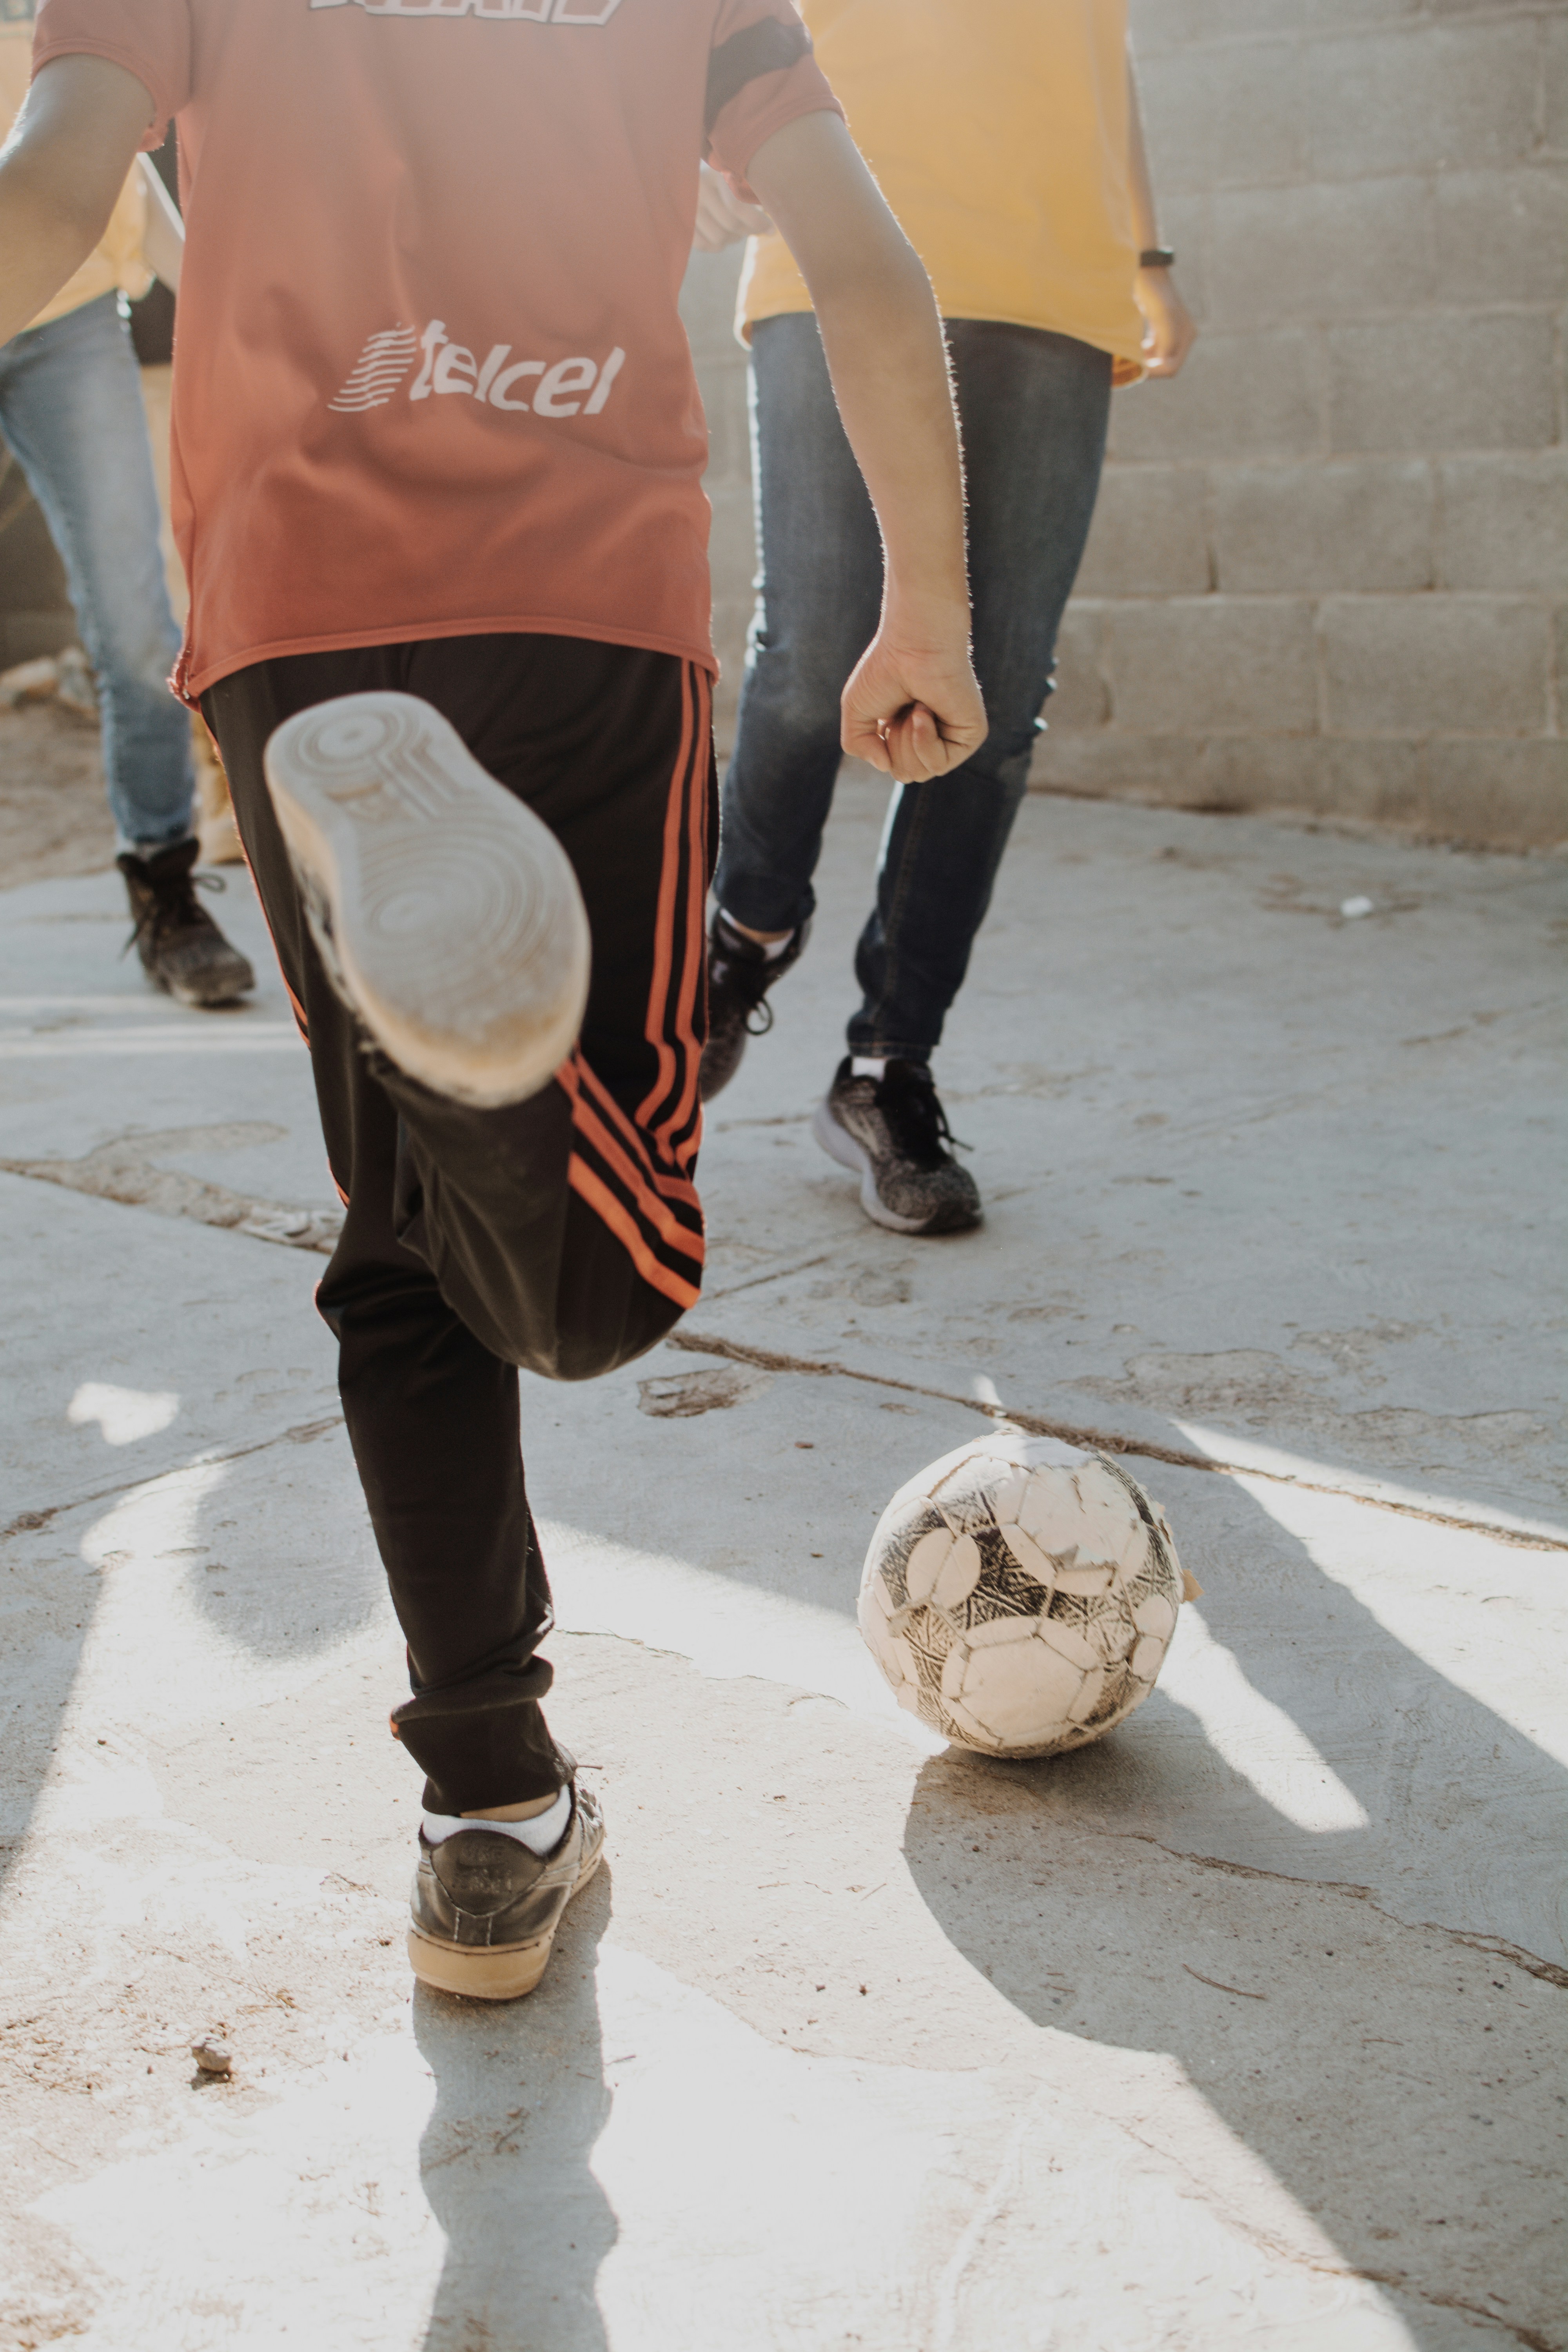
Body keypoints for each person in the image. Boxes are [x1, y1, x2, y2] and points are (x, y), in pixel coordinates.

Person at [0, 0, 984, 2001]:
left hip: (297, 619)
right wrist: (929, 600)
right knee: (598, 1285)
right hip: (580, 590)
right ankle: (505, 1065)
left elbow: (50, 195)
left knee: (397, 1237)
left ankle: (488, 1810)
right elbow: (858, 253)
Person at [696, 0, 1197, 1234]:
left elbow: (1106, 49)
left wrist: (1147, 253)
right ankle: (743, 932)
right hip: (836, 223)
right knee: (810, 654)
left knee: (998, 698)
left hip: (1053, 269)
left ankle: (888, 1065)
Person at [0, 2, 252, 1005]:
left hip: (66, 323)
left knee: (138, 628)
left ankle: (166, 888)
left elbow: (116, 173)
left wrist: (232, 311)